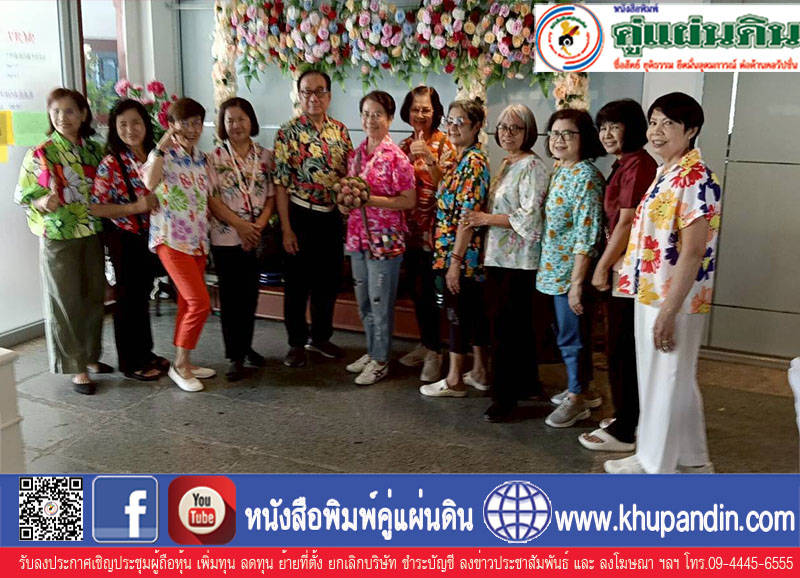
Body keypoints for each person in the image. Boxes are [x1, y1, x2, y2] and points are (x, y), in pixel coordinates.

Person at [605, 92, 722, 474]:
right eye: (654, 122)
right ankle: (692, 459)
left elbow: (693, 250)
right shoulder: (667, 172)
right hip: (651, 290)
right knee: (672, 379)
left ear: (691, 130)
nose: (656, 131)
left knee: (665, 378)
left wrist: (670, 309)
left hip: (675, 297)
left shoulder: (696, 178)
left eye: (668, 124)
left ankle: (655, 464)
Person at [14, 88, 111, 395]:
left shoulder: (94, 151)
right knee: (65, 302)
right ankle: (75, 366)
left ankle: (91, 356)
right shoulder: (41, 153)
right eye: (56, 111)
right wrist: (43, 202)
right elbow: (22, 195)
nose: (62, 117)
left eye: (69, 111)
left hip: (91, 231)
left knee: (94, 297)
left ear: (83, 115)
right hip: (59, 236)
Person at [578, 99, 657, 451]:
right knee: (619, 346)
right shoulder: (625, 162)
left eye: (615, 126)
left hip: (627, 268)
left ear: (632, 128)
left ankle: (625, 430)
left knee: (621, 348)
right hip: (621, 264)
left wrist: (601, 266)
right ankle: (627, 416)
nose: (607, 134)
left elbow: (626, 222)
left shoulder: (638, 164)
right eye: (603, 127)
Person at [463, 104, 549, 421]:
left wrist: (485, 218)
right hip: (499, 257)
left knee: (506, 332)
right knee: (513, 329)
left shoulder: (533, 166)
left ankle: (504, 399)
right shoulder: (507, 163)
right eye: (502, 127)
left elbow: (530, 218)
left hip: (519, 261)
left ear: (529, 131)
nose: (508, 133)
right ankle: (526, 385)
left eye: (516, 127)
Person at [273, 69, 353, 368]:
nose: (313, 97)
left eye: (320, 91)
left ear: (329, 96)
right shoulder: (287, 133)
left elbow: (348, 175)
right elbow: (280, 184)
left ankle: (321, 337)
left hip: (330, 218)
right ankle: (296, 342)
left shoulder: (340, 132)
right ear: (299, 95)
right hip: (299, 215)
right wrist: (286, 229)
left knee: (327, 282)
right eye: (307, 91)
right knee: (297, 284)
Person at [90, 99, 167, 382]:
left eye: (136, 122)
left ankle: (145, 352)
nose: (130, 129)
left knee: (141, 297)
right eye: (122, 124)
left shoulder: (154, 155)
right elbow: (96, 207)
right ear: (114, 128)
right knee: (128, 301)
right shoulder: (111, 163)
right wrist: (134, 208)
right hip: (125, 237)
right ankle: (131, 362)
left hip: (152, 235)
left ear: (146, 124)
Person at [538, 108, 605, 428]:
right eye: (554, 134)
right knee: (569, 334)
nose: (559, 140)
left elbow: (586, 235)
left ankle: (577, 400)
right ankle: (583, 389)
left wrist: (577, 283)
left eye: (568, 134)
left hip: (571, 274)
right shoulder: (561, 169)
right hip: (552, 270)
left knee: (571, 337)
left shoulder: (586, 177)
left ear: (584, 138)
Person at [342, 91, 416, 385]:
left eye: (377, 114)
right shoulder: (357, 155)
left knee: (380, 302)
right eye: (366, 114)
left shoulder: (396, 158)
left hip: (385, 240)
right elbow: (350, 194)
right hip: (358, 237)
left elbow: (408, 200)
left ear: (389, 119)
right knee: (363, 300)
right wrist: (345, 202)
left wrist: (369, 199)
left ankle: (382, 360)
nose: (370, 120)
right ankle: (373, 351)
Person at [419, 98, 490, 398]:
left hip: (461, 252)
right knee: (471, 312)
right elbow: (444, 187)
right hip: (451, 249)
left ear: (476, 126)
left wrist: (455, 261)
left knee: (456, 313)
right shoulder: (458, 157)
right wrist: (430, 161)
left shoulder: (474, 162)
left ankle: (454, 379)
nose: (453, 126)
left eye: (461, 121)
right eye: (450, 120)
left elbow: (468, 216)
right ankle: (479, 372)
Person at [142, 97, 214, 392]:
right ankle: (180, 366)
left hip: (198, 239)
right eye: (185, 123)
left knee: (188, 303)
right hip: (170, 239)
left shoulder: (202, 158)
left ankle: (185, 359)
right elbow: (149, 183)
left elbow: (208, 197)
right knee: (200, 303)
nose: (192, 129)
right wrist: (161, 146)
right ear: (171, 125)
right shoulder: (163, 155)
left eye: (197, 123)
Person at [207, 97, 275, 382]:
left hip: (255, 235)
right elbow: (212, 200)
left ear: (251, 121)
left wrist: (257, 227)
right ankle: (234, 356)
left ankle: (246, 347)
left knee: (250, 296)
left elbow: (271, 196)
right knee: (231, 298)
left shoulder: (265, 156)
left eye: (241, 119)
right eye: (230, 120)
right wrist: (240, 226)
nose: (236, 125)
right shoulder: (214, 158)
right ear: (223, 125)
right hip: (226, 237)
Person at [397, 86, 455, 382]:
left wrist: (430, 160)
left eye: (426, 109)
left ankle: (436, 351)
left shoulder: (446, 144)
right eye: (415, 109)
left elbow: (451, 187)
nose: (420, 114)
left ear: (436, 112)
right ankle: (425, 343)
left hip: (436, 233)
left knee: (432, 293)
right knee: (416, 290)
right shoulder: (403, 144)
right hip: (409, 232)